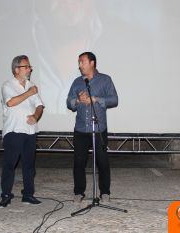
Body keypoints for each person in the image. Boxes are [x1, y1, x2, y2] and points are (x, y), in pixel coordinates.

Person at [66, 52, 118, 203]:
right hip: (81, 129)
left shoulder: (105, 80)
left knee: (102, 162)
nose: (80, 65)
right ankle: (78, 192)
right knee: (79, 162)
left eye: (82, 62)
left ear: (92, 63)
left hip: (99, 129)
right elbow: (68, 102)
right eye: (79, 62)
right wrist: (78, 100)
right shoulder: (77, 82)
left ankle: (105, 192)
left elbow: (114, 99)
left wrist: (95, 99)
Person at [0, 55, 44, 208]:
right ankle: (5, 195)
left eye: (30, 66)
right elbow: (11, 102)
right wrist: (29, 93)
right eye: (27, 66)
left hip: (30, 131)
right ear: (17, 69)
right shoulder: (8, 85)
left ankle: (28, 194)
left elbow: (39, 105)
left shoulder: (31, 85)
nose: (30, 69)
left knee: (29, 166)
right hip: (14, 130)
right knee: (9, 164)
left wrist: (36, 116)